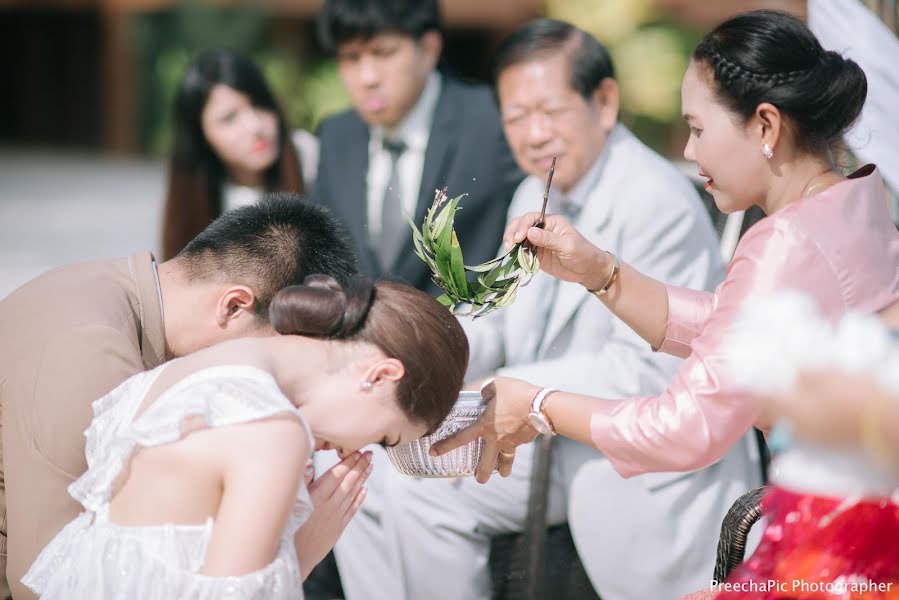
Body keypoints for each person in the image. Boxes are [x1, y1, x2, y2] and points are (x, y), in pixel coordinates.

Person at [434, 4, 899, 548]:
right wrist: (602, 274)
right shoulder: (857, 200)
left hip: (831, 535)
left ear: (767, 125)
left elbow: (685, 428)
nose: (688, 150)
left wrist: (537, 404)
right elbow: (737, 330)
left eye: (698, 129)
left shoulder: (781, 240)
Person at [374, 19, 760, 600]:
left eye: (549, 111)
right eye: (515, 117)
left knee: (417, 491)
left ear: (604, 102)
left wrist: (510, 389)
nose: (533, 135)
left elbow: (649, 371)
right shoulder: (533, 192)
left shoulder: (655, 199)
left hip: (622, 443)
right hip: (542, 426)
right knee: (371, 473)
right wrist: (424, 361)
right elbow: (498, 318)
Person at [20, 274, 470, 599]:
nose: (354, 452)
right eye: (384, 436)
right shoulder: (273, 434)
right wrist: (302, 553)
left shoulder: (182, 372)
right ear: (381, 375)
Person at [0, 194, 358, 600]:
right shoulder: (95, 350)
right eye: (272, 363)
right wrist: (294, 556)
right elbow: (47, 582)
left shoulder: (111, 295)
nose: (269, 391)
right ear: (234, 306)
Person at [311, 0, 523, 296]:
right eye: (350, 57)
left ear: (428, 49)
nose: (367, 78)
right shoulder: (336, 136)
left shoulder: (492, 121)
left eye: (383, 53)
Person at [160, 50, 320, 260]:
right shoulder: (198, 206)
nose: (254, 126)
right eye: (229, 118)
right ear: (201, 136)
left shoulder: (312, 159)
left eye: (258, 104)